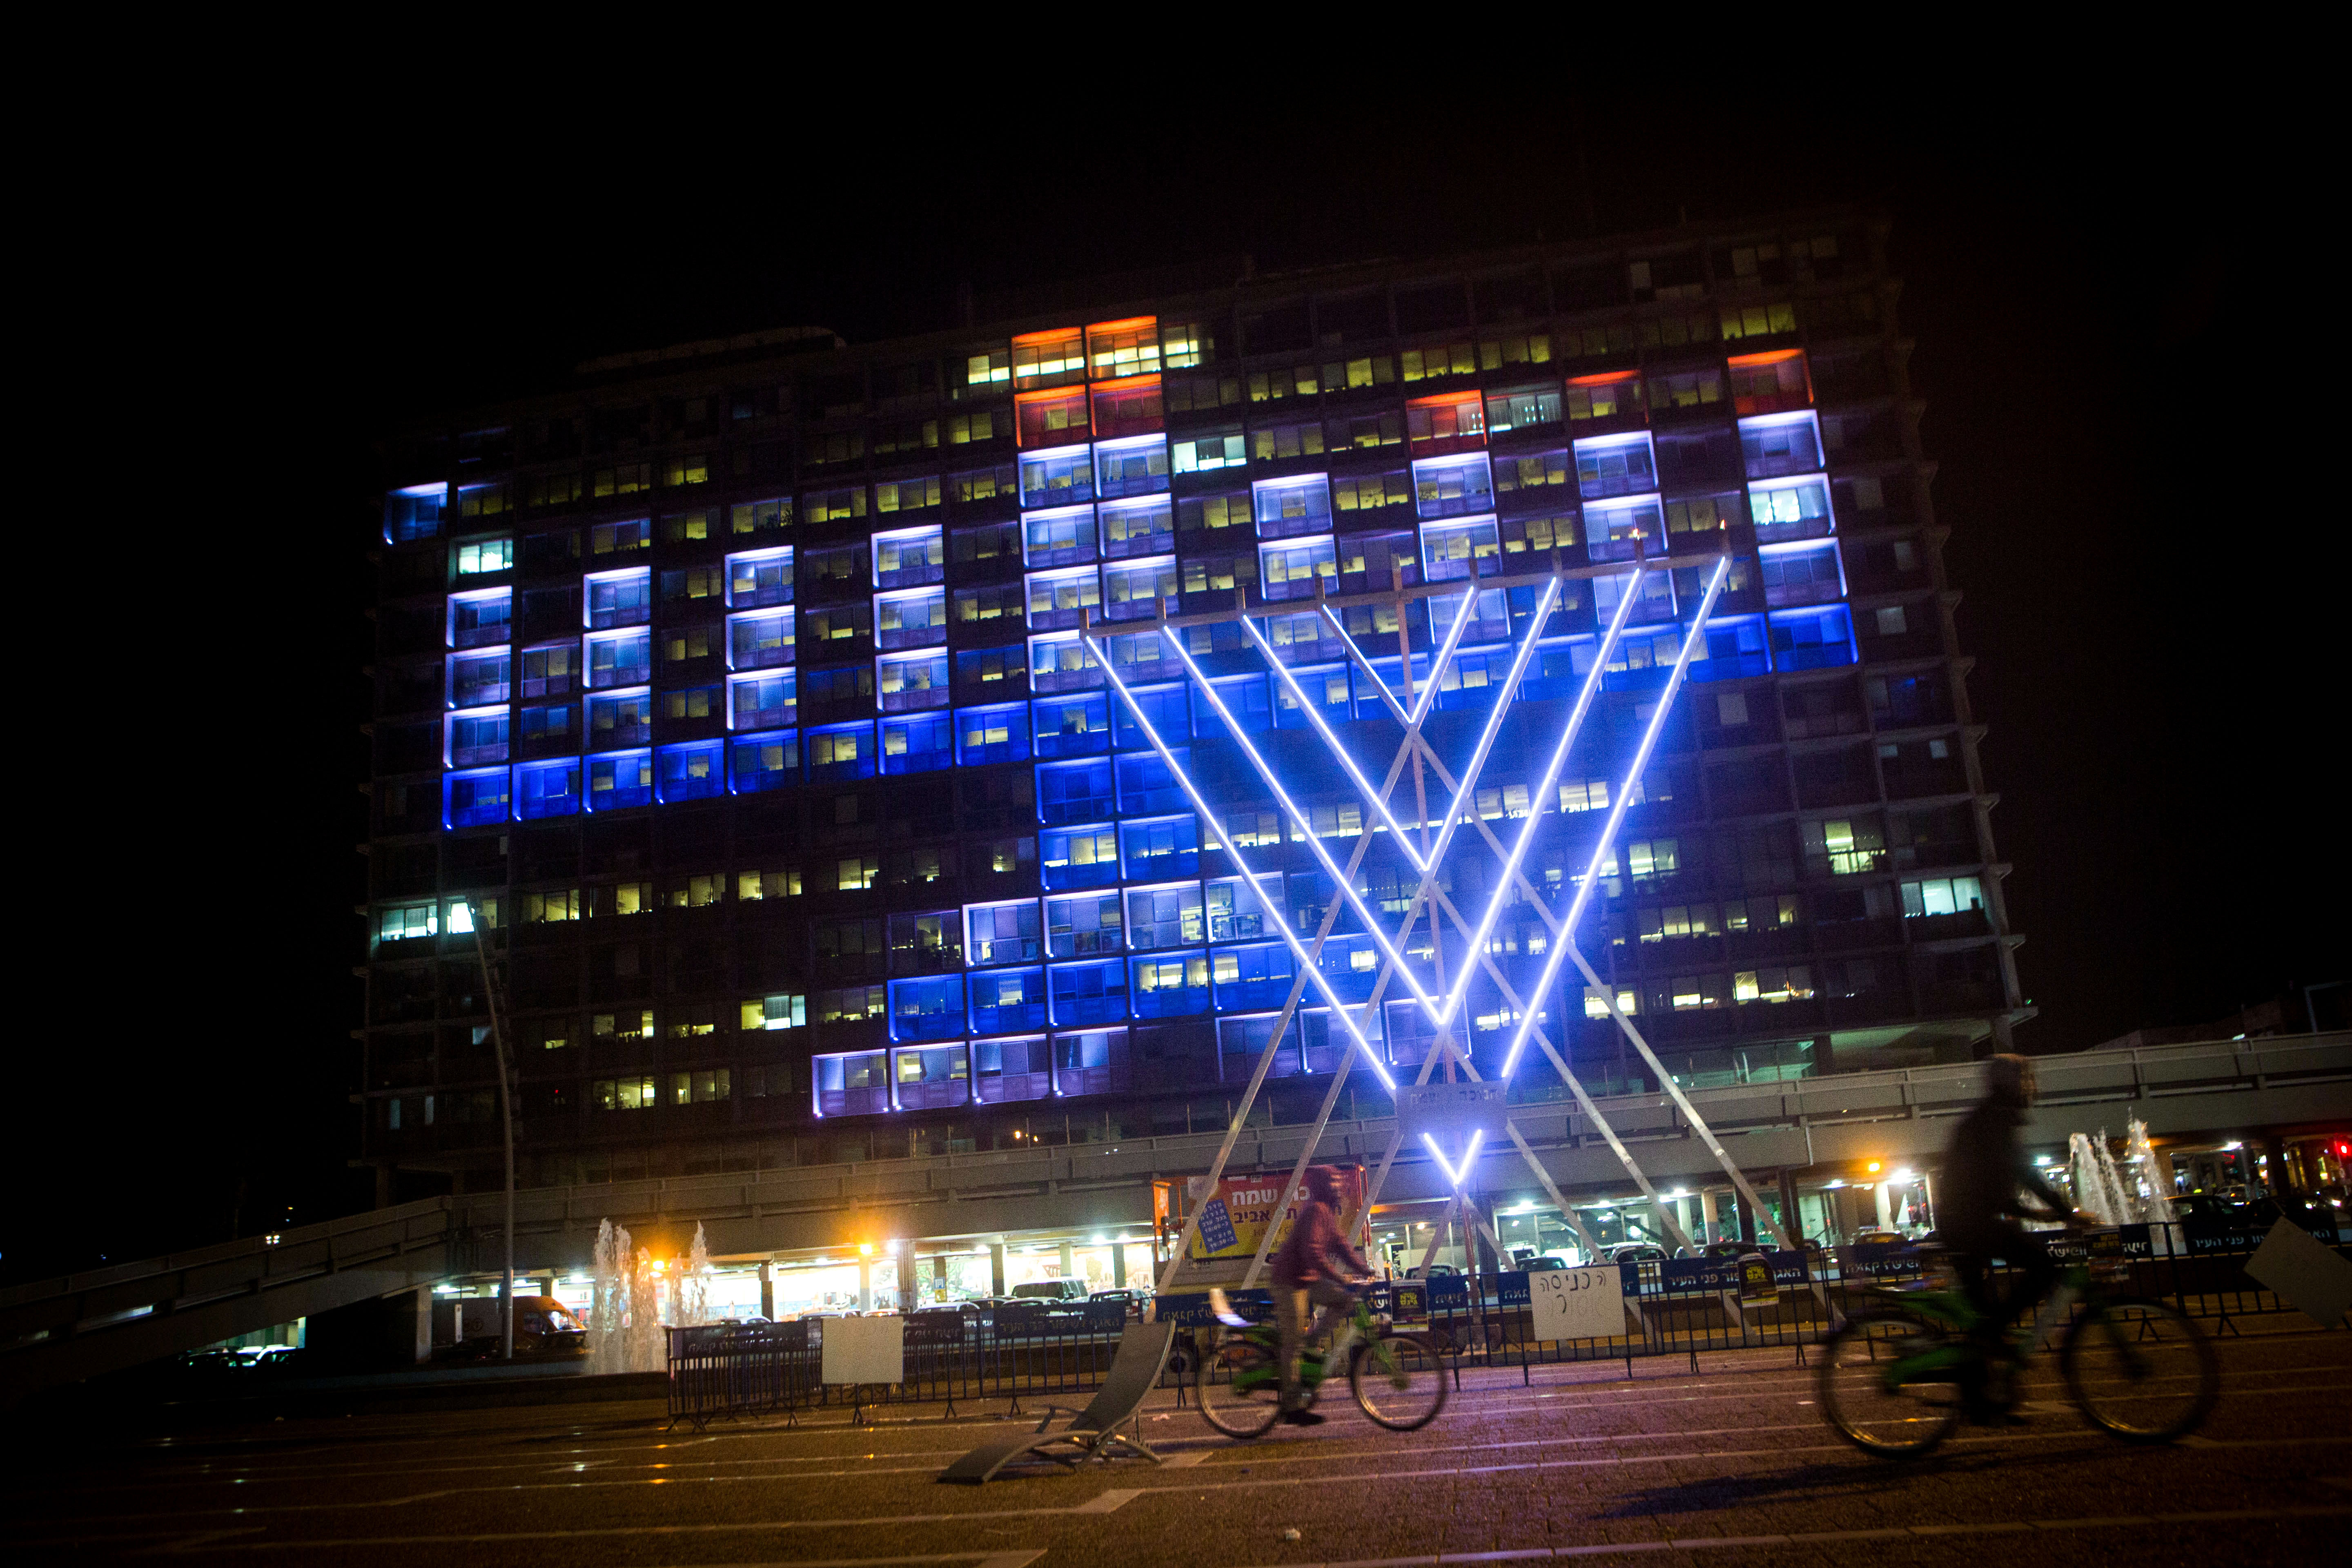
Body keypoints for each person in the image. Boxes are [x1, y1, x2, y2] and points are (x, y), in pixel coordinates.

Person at [1937, 1054, 2089, 1420]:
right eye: (2027, 1080)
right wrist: (2066, 1211)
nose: (2033, 1088)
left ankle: (1983, 1399)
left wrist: (2035, 1212)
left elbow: (1991, 1181)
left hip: (1963, 1219)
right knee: (2044, 1267)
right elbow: (2021, 1173)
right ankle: (1993, 1339)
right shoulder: (1997, 1119)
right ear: (2012, 1085)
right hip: (1969, 1222)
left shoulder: (1989, 1117)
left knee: (1980, 1313)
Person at [1270, 1165, 1373, 1425]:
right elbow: (1312, 1253)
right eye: (1334, 1183)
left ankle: (1312, 1344)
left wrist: (1364, 1269)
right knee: (1293, 1342)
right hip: (1289, 1282)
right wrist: (1341, 1277)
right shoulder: (1317, 1211)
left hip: (1307, 1280)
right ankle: (1291, 1407)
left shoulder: (1325, 1213)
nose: (1339, 1188)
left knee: (1344, 1300)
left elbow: (1341, 1245)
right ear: (1325, 1187)